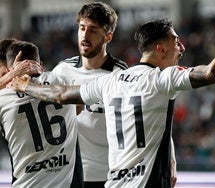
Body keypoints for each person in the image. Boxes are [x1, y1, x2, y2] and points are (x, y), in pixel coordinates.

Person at [8, 4, 215, 188]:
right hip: (128, 179)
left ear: (108, 36)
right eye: (176, 42)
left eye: (93, 29)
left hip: (112, 179)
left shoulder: (111, 80)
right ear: (161, 47)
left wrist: (22, 84)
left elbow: (61, 95)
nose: (182, 47)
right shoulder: (161, 79)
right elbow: (213, 72)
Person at [52, 2, 176, 187]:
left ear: (108, 36)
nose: (85, 35)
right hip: (71, 173)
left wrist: (171, 160)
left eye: (93, 30)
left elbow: (154, 117)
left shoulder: (121, 76)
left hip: (109, 173)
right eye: (82, 28)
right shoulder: (62, 72)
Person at [1, 40, 83, 187]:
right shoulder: (65, 81)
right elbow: (79, 106)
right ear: (40, 65)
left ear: (9, 69)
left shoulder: (3, 98)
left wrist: (11, 77)